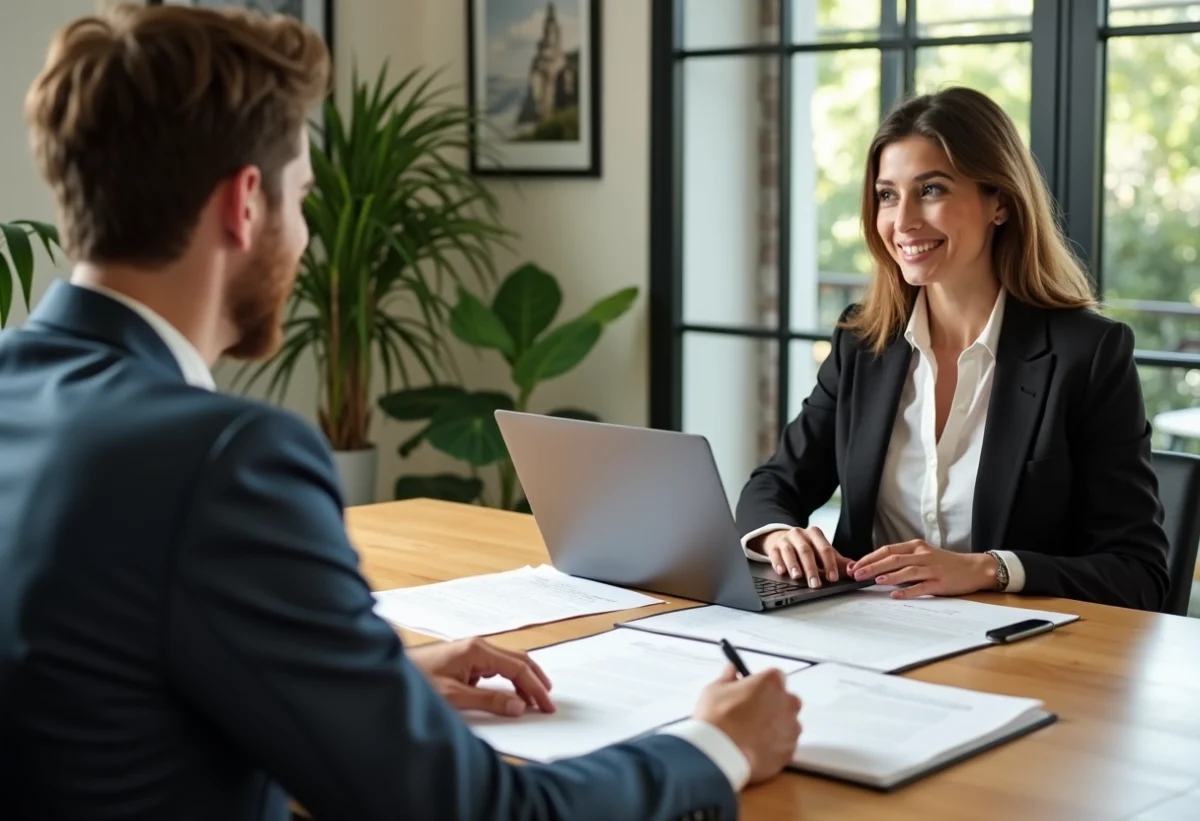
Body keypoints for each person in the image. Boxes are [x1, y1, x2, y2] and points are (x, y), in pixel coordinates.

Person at [0, 5, 801, 821]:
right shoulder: (226, 460)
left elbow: (97, 679)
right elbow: (473, 810)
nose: (306, 236)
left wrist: (370, 686)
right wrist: (715, 746)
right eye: (303, 197)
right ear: (246, 203)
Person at [736, 87, 1170, 612]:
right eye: (888, 195)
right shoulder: (862, 343)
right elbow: (775, 484)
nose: (903, 222)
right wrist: (777, 535)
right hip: (864, 638)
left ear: (1000, 203)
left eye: (932, 190)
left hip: (1015, 650)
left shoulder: (1088, 354)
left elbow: (1139, 573)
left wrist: (988, 569)